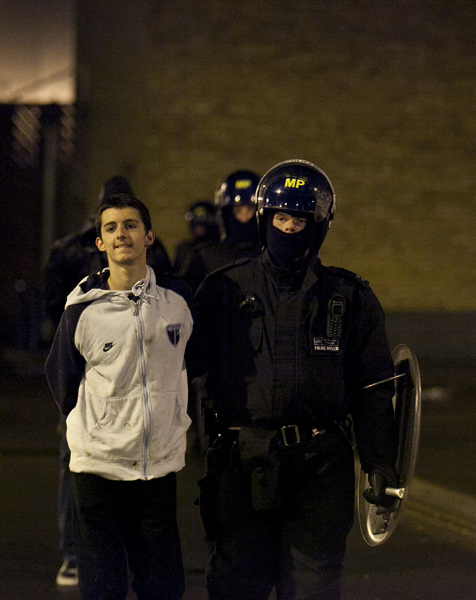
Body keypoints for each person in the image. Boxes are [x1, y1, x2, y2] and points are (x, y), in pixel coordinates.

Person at [187, 159, 398, 600]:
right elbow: (181, 368)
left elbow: (373, 388)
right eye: (280, 217)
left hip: (320, 469)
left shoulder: (349, 297)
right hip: (240, 467)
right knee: (235, 584)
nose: (288, 228)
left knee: (313, 587)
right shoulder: (223, 290)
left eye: (299, 219)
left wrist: (380, 463)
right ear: (265, 219)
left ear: (319, 224)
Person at [45, 193, 193, 600]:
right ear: (100, 244)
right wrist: (97, 431)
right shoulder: (82, 309)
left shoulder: (178, 306)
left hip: (157, 467)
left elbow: (191, 367)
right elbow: (61, 379)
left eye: (130, 225)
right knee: (102, 588)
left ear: (149, 236)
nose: (121, 234)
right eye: (110, 228)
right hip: (98, 470)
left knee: (163, 588)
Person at [180, 170, 261, 291]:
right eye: (238, 210)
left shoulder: (272, 254)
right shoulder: (206, 256)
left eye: (249, 209)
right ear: (226, 213)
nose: (244, 217)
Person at [173, 200, 219, 275]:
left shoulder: (218, 250)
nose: (199, 229)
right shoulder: (184, 249)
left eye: (202, 225)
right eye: (196, 225)